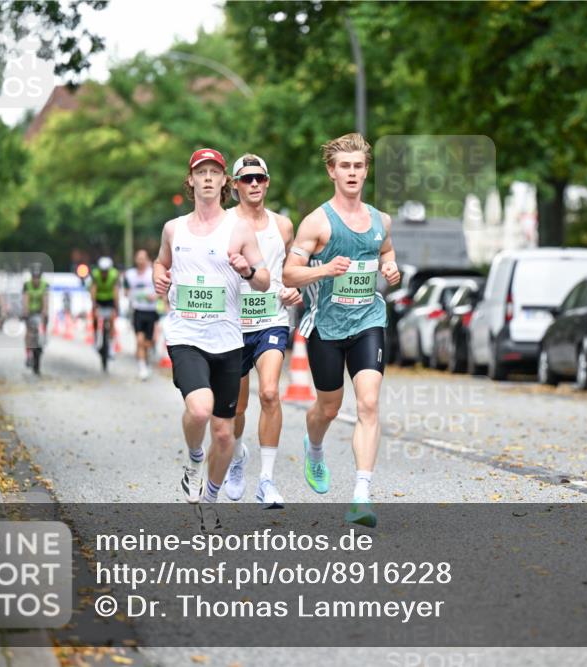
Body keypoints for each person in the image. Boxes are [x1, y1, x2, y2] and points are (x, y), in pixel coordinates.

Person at [283, 133, 401, 527]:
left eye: (359, 166)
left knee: (368, 404)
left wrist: (390, 268)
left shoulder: (380, 220)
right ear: (332, 171)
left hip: (369, 320)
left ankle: (361, 494)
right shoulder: (317, 222)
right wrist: (324, 269)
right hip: (327, 327)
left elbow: (385, 250)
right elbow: (289, 272)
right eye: (345, 166)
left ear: (366, 171)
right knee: (328, 407)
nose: (352, 172)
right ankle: (313, 446)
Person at [153, 148, 270, 504]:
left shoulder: (240, 229)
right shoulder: (173, 229)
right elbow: (161, 263)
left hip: (228, 341)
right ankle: (193, 458)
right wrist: (160, 279)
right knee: (200, 409)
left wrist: (247, 271)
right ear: (190, 180)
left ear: (224, 182)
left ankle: (210, 501)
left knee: (224, 434)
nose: (207, 178)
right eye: (200, 172)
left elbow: (265, 279)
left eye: (213, 172)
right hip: (186, 336)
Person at [224, 154, 303, 508]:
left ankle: (266, 480)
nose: (253, 184)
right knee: (236, 407)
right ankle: (237, 457)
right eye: (246, 179)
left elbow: (291, 270)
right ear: (235, 186)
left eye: (259, 178)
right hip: (232, 325)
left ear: (267, 183)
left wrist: (293, 290)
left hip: (272, 319)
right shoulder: (223, 224)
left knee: (270, 393)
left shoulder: (282, 226)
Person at [124, 249, 158, 380]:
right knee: (139, 340)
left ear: (147, 259)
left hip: (151, 311)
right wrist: (129, 294)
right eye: (138, 258)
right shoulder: (130, 274)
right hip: (137, 311)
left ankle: (146, 358)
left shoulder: (153, 272)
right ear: (135, 260)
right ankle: (142, 367)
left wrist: (156, 296)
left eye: (143, 258)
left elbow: (162, 290)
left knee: (148, 343)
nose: (141, 260)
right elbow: (126, 291)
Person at [89, 256, 119, 356]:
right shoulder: (95, 274)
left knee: (111, 320)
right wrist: (93, 304)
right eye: (102, 271)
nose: (104, 273)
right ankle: (96, 337)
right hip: (99, 298)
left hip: (110, 298)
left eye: (106, 271)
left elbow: (116, 290)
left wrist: (116, 305)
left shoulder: (114, 274)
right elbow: (93, 289)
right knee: (95, 317)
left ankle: (110, 345)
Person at [22, 266, 49, 366]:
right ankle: (28, 354)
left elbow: (45, 299)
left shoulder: (44, 285)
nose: (36, 280)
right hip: (30, 312)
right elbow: (25, 299)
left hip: (40, 311)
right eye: (34, 277)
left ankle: (43, 340)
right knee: (29, 332)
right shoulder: (27, 285)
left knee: (42, 328)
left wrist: (45, 311)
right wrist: (25, 312)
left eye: (38, 277)